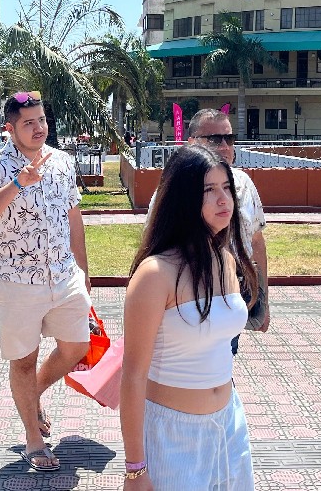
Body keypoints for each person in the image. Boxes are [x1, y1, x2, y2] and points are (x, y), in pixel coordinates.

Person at [0, 90, 92, 473]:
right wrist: (18, 183)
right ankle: (33, 439)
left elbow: (73, 219)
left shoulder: (63, 162)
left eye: (41, 120)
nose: (38, 128)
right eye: (28, 123)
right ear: (10, 128)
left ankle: (31, 394)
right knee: (24, 360)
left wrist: (84, 273)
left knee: (76, 347)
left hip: (64, 275)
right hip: (17, 281)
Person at [121, 145, 259, 490]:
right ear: (183, 199)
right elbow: (133, 375)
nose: (222, 199)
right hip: (173, 433)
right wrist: (135, 468)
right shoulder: (156, 274)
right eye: (208, 191)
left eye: (226, 188)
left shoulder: (225, 257)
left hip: (228, 424)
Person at [181, 109, 269, 347]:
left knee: (225, 361)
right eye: (213, 139)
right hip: (189, 301)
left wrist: (263, 299)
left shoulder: (244, 183)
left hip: (233, 296)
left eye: (228, 139)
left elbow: (256, 240)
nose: (223, 146)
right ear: (191, 143)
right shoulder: (176, 187)